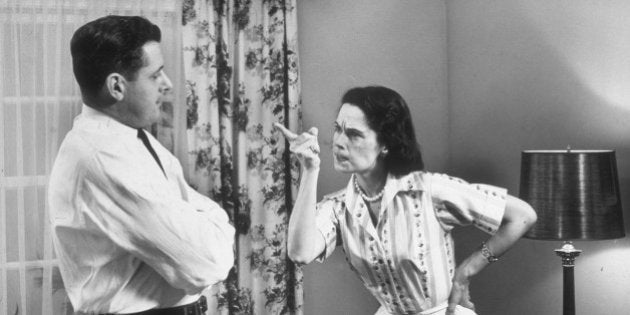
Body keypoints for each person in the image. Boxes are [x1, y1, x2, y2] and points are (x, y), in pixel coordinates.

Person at [274, 86, 537, 315]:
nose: (339, 142)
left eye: (354, 134)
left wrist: (466, 271)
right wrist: (310, 169)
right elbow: (300, 252)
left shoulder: (428, 191)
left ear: (385, 144)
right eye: (338, 129)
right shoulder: (340, 207)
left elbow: (523, 215)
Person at [48, 15, 235, 314]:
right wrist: (210, 226)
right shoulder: (103, 156)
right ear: (117, 86)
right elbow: (209, 262)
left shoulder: (130, 140)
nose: (167, 84)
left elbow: (204, 220)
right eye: (155, 75)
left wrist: (206, 223)